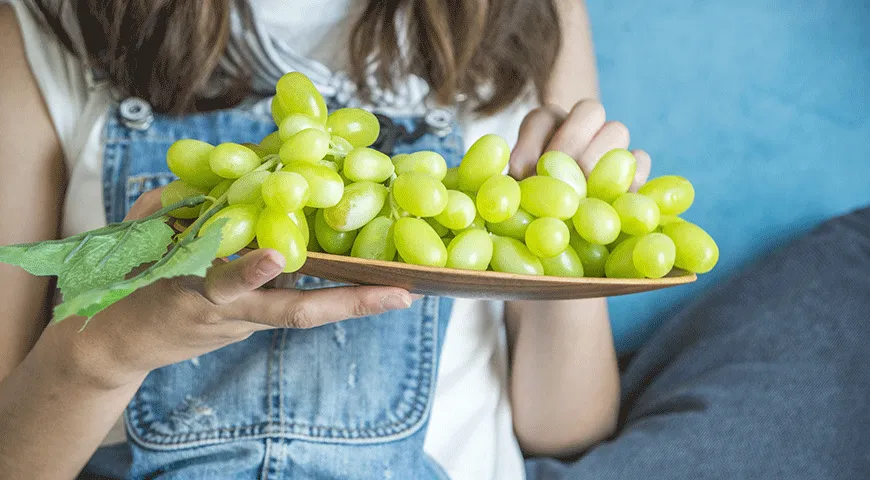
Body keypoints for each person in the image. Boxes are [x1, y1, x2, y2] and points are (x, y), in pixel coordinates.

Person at [1, 1, 867, 480]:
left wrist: (552, 234)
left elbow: (568, 431)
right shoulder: (44, 28)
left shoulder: (521, 15)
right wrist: (103, 355)